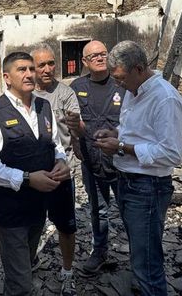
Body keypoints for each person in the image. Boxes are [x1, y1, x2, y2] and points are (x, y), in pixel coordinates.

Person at [94, 41, 182, 296]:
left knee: (147, 264)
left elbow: (171, 153)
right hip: (128, 182)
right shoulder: (133, 92)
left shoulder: (164, 98)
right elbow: (138, 133)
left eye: (121, 78)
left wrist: (121, 146)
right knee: (140, 253)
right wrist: (115, 133)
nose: (118, 84)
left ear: (139, 68)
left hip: (148, 188)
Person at [0, 52, 70, 296]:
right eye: (22, 70)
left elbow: (55, 144)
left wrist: (61, 160)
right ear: (7, 78)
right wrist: (28, 178)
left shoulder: (44, 106)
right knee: (21, 284)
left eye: (31, 69)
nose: (29, 74)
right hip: (10, 210)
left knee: (26, 262)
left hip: (39, 206)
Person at [68, 40, 127, 274]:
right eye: (94, 56)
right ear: (85, 62)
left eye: (104, 54)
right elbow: (71, 119)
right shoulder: (76, 86)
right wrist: (74, 141)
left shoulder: (122, 83)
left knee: (129, 211)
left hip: (123, 161)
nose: (100, 58)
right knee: (98, 210)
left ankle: (140, 260)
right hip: (92, 162)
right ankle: (99, 251)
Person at [30, 45, 81, 296]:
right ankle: (30, 260)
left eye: (51, 63)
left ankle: (68, 271)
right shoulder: (25, 94)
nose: (48, 69)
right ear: (33, 67)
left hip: (61, 173)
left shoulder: (65, 94)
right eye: (42, 65)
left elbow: (76, 130)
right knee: (32, 222)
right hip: (33, 175)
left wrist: (78, 128)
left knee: (66, 225)